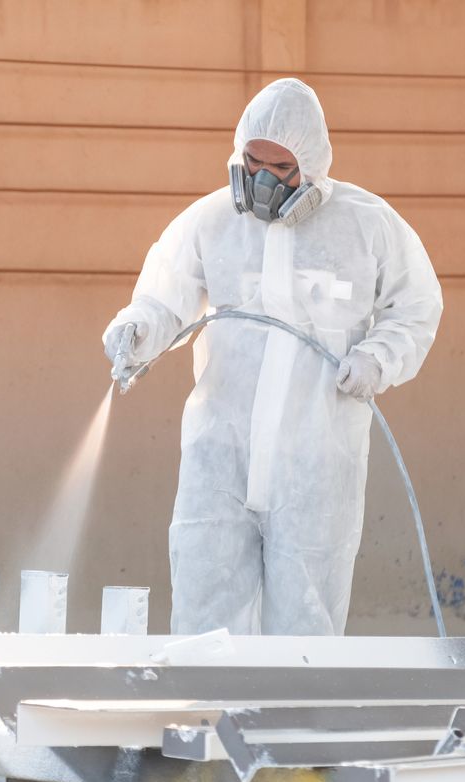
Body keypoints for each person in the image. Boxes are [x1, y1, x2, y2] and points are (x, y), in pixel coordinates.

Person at [103, 78, 443, 636]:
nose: (261, 179)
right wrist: (136, 330)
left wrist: (378, 359)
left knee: (304, 631)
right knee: (206, 617)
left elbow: (417, 304)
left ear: (309, 166)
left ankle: (290, 725)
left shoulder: (367, 225)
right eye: (252, 160)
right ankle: (209, 724)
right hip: (221, 460)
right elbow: (165, 299)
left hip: (316, 465)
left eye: (278, 166)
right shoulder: (211, 221)